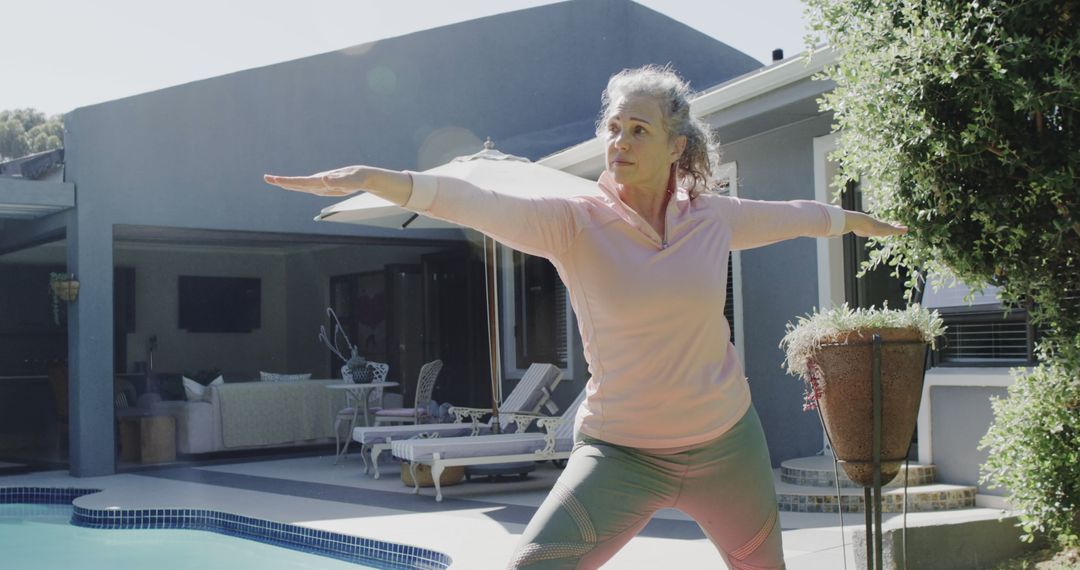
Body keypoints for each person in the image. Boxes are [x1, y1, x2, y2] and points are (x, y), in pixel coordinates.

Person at [265, 65, 906, 569]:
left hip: (726, 446)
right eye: (614, 127)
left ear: (676, 145)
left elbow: (794, 215)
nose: (619, 141)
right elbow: (474, 202)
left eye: (638, 130)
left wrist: (855, 220)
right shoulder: (573, 222)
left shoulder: (714, 217)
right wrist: (380, 178)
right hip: (620, 453)